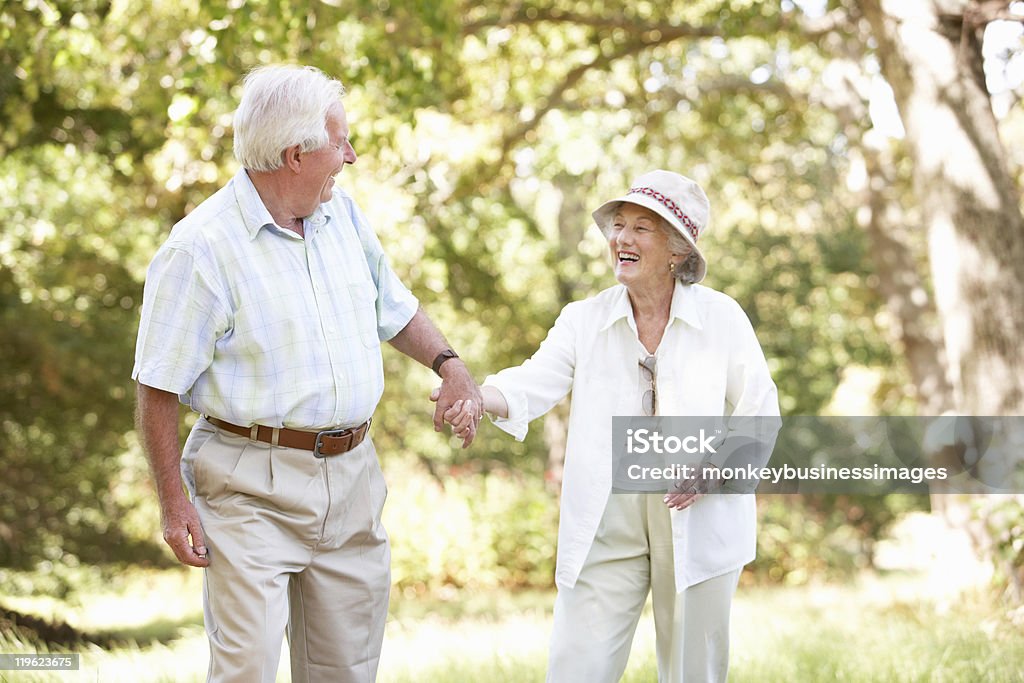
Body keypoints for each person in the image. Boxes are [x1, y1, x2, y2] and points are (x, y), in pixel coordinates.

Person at [133, 64, 482, 683]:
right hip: (248, 484)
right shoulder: (200, 249)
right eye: (340, 141)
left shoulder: (340, 215)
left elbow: (392, 306)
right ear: (295, 154)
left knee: (345, 670)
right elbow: (157, 383)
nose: (351, 155)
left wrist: (448, 364)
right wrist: (171, 503)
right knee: (246, 670)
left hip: (351, 479)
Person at [441, 170, 779, 682]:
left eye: (642, 228)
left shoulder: (723, 319)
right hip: (606, 511)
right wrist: (475, 396)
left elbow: (760, 411)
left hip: (697, 507)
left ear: (677, 250)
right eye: (619, 225)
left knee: (694, 672)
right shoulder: (584, 318)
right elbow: (534, 381)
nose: (621, 238)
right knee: (578, 665)